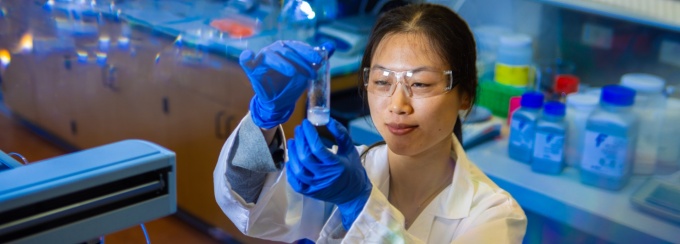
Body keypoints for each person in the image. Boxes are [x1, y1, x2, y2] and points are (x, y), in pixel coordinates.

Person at [214, 3, 527, 243]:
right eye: (381, 81)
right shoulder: (342, 173)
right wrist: (264, 119)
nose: (397, 105)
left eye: (420, 84)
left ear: (466, 96)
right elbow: (250, 206)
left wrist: (358, 205)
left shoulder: (493, 214)